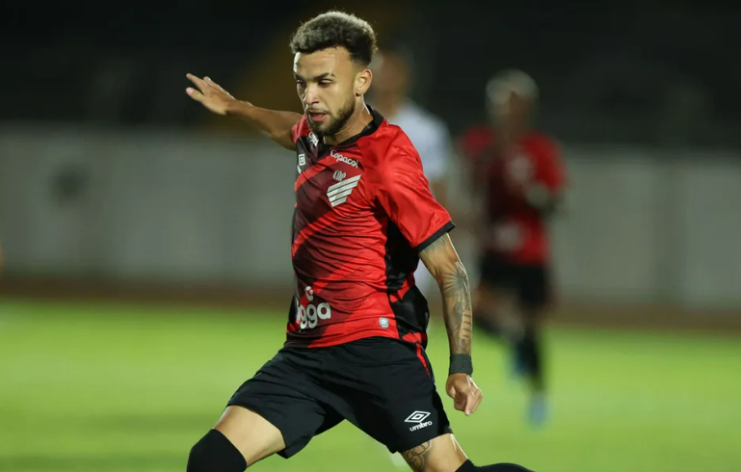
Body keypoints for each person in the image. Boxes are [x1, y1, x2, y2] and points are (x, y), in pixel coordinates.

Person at [185, 11, 536, 472]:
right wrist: (236, 107)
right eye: (301, 82)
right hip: (306, 355)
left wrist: (461, 364)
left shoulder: (389, 160)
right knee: (210, 460)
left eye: (324, 82)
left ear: (362, 81)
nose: (310, 98)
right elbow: (283, 125)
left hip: (377, 355)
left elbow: (450, 270)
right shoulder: (315, 134)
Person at [458, 70, 565, 427]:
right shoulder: (481, 144)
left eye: (513, 104)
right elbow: (472, 185)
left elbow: (555, 202)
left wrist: (532, 191)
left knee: (532, 325)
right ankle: (513, 343)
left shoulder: (540, 149)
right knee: (473, 310)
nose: (506, 112)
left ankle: (538, 397)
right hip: (494, 249)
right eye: (501, 104)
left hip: (530, 252)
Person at [370, 41, 453, 302]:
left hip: (409, 243)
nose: (385, 78)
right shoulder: (348, 123)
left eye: (391, 71)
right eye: (380, 70)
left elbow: (438, 194)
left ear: (405, 76)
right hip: (361, 240)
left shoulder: (427, 130)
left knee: (408, 327)